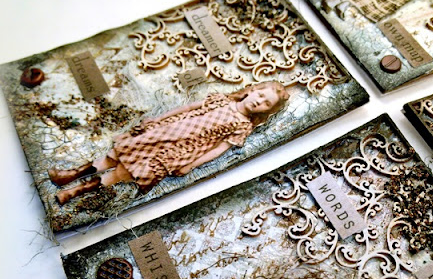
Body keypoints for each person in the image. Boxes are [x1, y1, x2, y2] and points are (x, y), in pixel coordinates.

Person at [48, 81, 290, 204]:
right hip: (165, 131)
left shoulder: (243, 126)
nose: (259, 101)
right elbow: (187, 108)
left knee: (122, 172)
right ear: (252, 90)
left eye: (266, 103)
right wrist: (158, 120)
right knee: (114, 156)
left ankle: (73, 192)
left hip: (177, 150)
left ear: (266, 111)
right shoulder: (222, 100)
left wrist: (191, 165)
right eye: (260, 95)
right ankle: (70, 175)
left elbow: (219, 150)